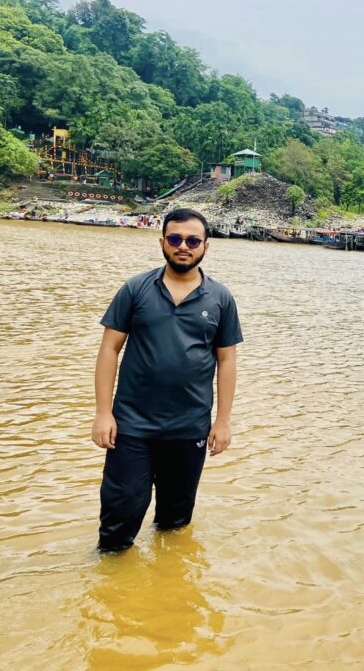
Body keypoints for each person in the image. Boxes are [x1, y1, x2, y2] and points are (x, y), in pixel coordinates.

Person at [92, 208, 243, 552]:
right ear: (162, 242)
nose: (183, 246)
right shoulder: (136, 289)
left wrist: (222, 421)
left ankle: (166, 588)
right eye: (175, 239)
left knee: (174, 526)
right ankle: (111, 591)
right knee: (118, 520)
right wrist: (103, 413)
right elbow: (109, 349)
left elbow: (227, 360)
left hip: (189, 428)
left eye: (192, 240)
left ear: (206, 246)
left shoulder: (220, 298)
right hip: (131, 427)